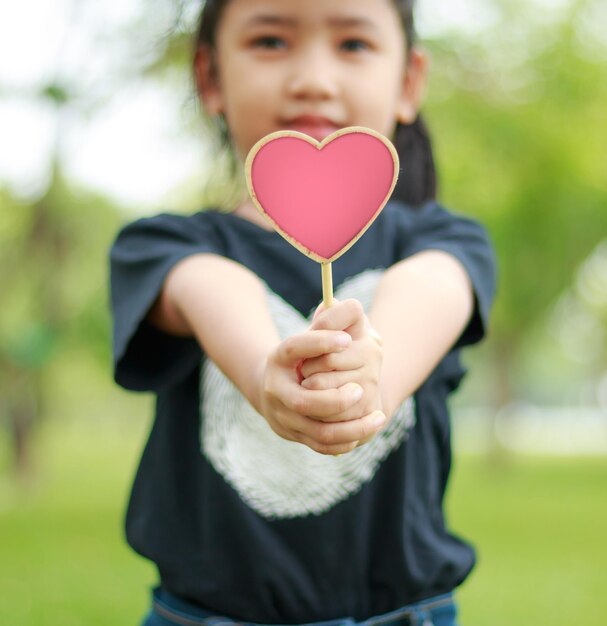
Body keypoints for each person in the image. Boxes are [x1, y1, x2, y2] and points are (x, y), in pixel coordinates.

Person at [109, 0, 497, 624]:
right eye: (270, 40)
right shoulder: (163, 247)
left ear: (408, 83)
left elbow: (433, 291)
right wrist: (267, 371)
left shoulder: (443, 242)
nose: (313, 77)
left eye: (353, 45)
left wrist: (372, 377)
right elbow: (209, 288)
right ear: (209, 77)